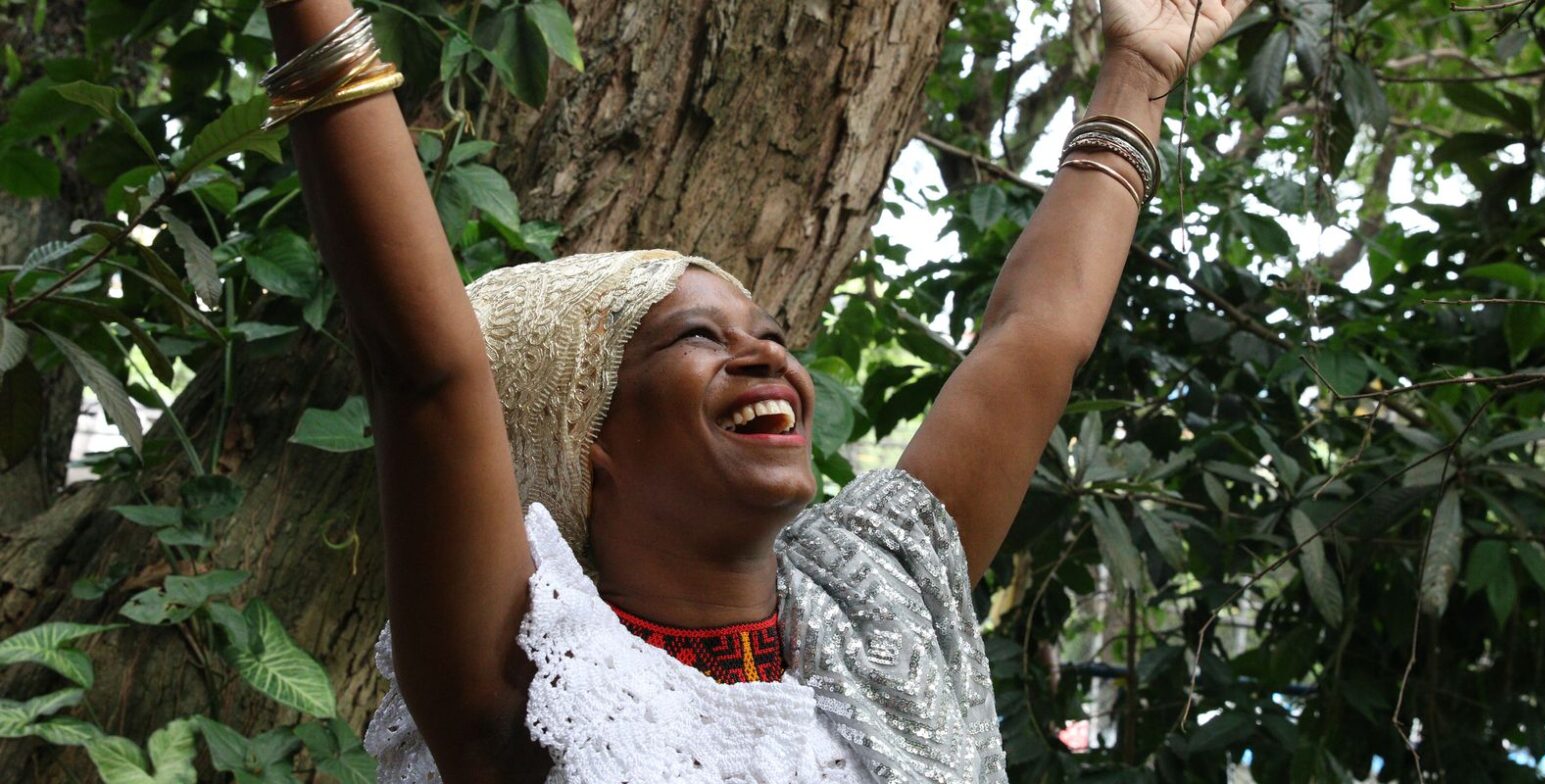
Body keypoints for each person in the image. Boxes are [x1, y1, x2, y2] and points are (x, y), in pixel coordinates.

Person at [260, 0, 1252, 781]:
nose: (765, 357)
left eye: (770, 337)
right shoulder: (534, 674)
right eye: (697, 339)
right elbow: (426, 373)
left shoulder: (873, 609)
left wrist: (1138, 71)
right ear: (584, 441)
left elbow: (1031, 338)